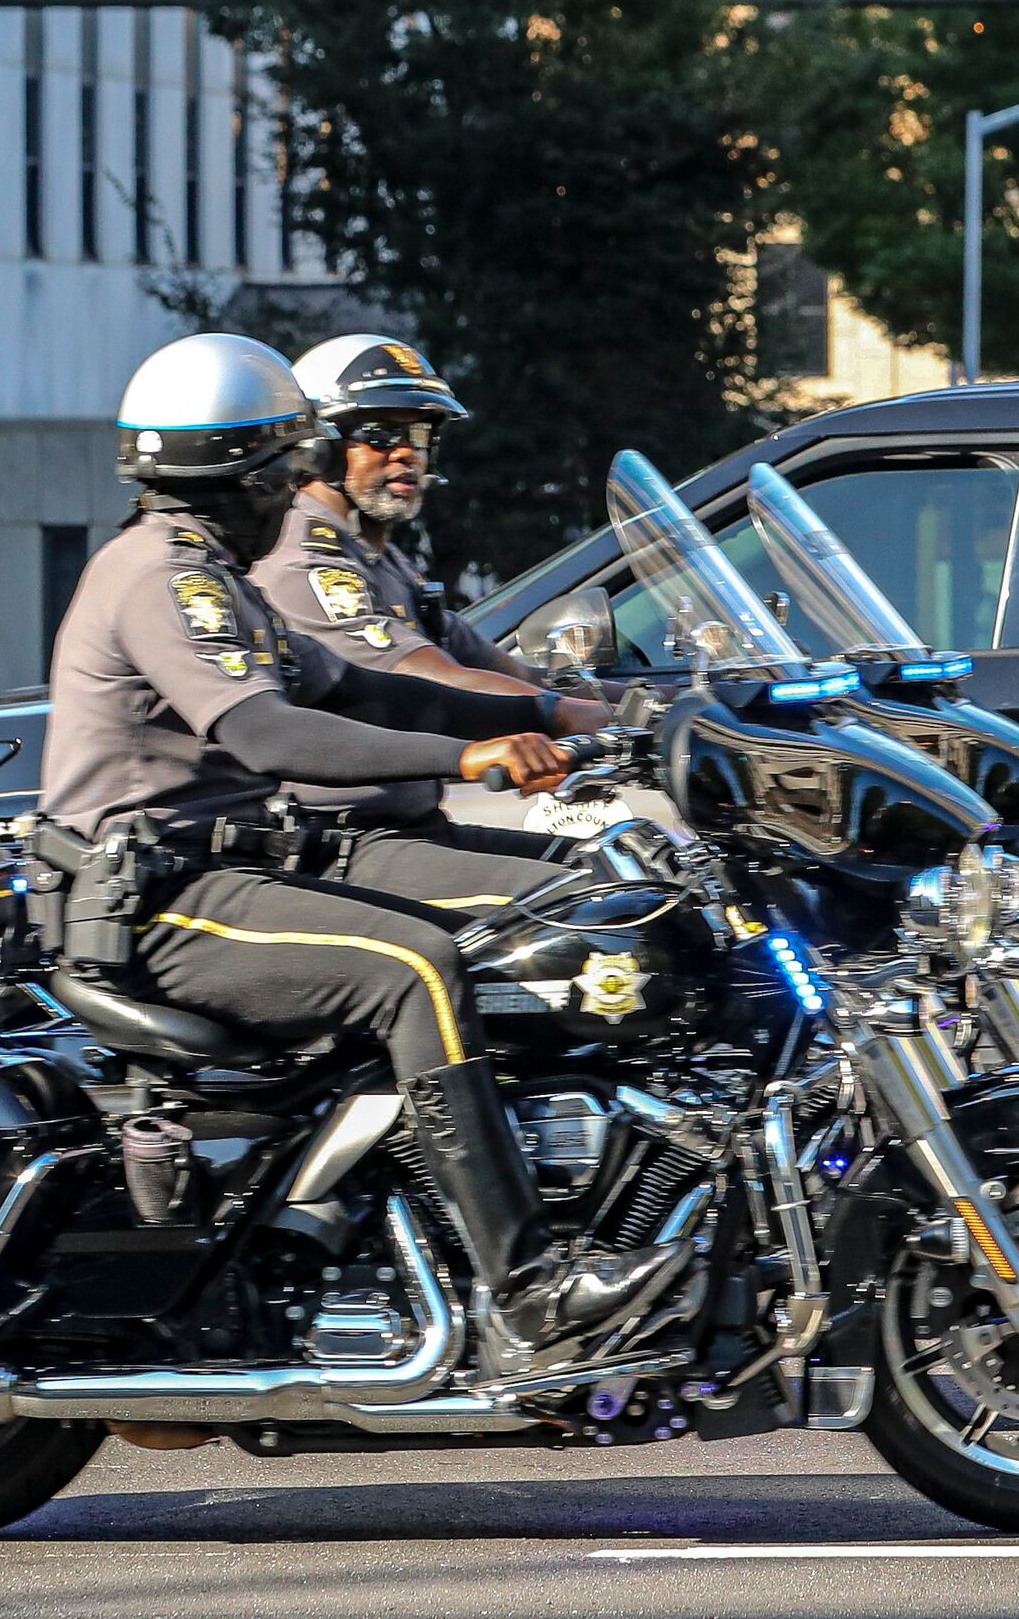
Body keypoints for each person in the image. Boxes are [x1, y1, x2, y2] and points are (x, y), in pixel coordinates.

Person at [40, 332, 663, 1371]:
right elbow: (276, 737)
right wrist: (474, 762)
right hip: (159, 900)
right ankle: (531, 1287)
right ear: (238, 476)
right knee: (413, 969)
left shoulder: (216, 577)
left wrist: (572, 723)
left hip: (242, 870)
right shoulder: (162, 575)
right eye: (284, 471)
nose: (296, 492)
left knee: (558, 913)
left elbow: (368, 689)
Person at [249, 334, 603, 877]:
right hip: (342, 847)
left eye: (420, 435)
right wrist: (559, 715)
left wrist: (659, 701)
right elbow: (436, 681)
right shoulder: (304, 564)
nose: (408, 454)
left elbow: (508, 672)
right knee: (579, 911)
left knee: (615, 872)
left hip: (413, 829)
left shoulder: (380, 561)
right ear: (317, 447)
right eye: (382, 434)